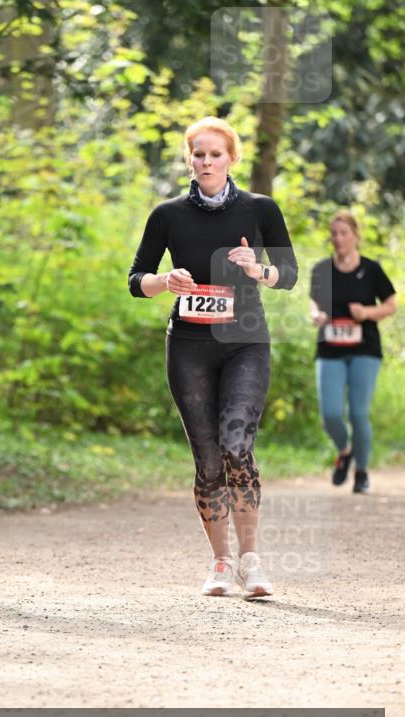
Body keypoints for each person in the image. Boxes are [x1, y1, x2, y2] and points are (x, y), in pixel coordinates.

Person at [128, 116, 298, 599]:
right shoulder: (168, 215)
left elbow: (289, 273)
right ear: (189, 159)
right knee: (207, 462)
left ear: (231, 159)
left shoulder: (260, 209)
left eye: (215, 154)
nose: (205, 161)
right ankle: (220, 563)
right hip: (188, 347)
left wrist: (257, 268)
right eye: (198, 154)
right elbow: (136, 279)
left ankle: (252, 561)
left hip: (245, 342)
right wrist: (165, 282)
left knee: (236, 445)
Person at [310, 211, 396, 494]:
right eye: (334, 234)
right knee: (331, 414)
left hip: (365, 349)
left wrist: (367, 312)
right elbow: (314, 304)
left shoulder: (371, 270)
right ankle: (345, 450)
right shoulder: (322, 270)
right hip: (330, 350)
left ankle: (361, 472)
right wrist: (317, 315)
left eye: (344, 233)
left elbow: (391, 305)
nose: (338, 239)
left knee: (358, 414)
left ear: (356, 236)